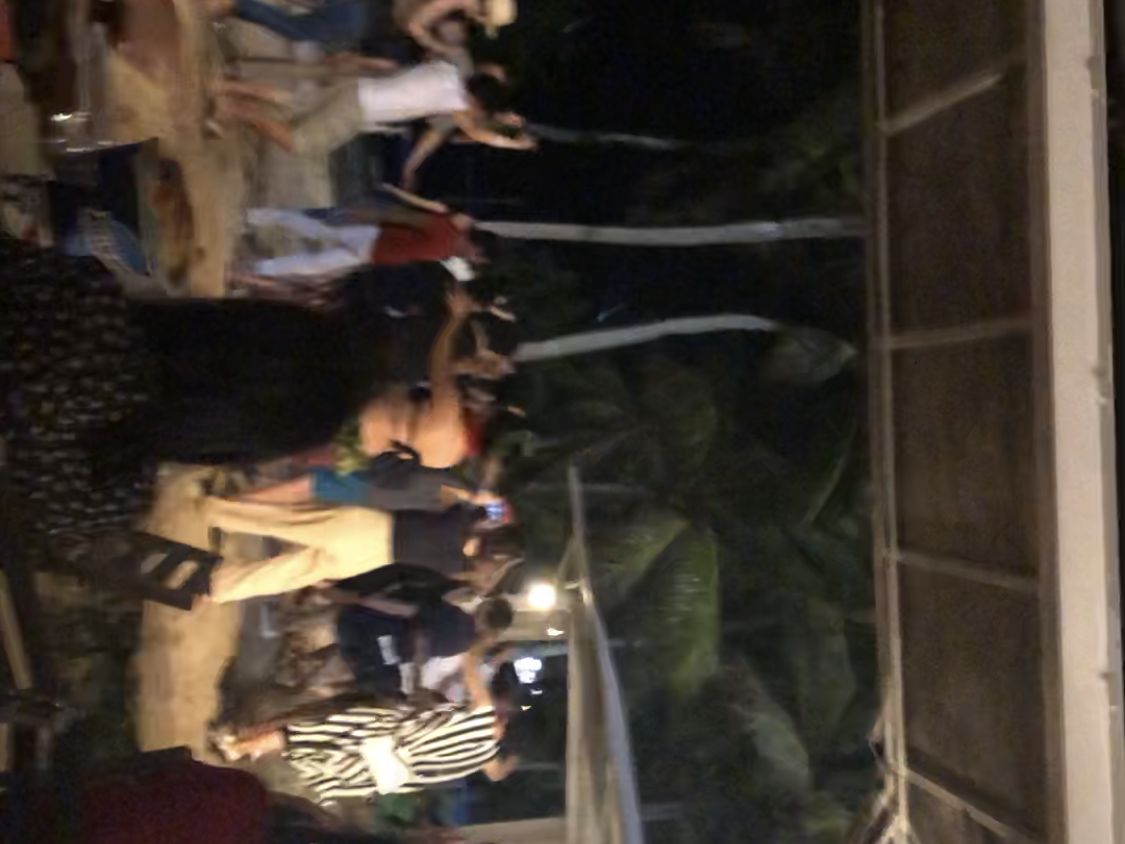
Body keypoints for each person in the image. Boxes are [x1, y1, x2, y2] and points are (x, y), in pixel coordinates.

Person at [212, 644, 520, 801]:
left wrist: (478, 645)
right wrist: (511, 765)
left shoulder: (483, 718)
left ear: (502, 720)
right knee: (311, 750)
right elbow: (496, 775)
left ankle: (238, 747)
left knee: (308, 734)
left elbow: (470, 667)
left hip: (380, 736)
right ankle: (246, 748)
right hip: (381, 775)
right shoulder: (485, 757)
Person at [201, 493, 524, 603]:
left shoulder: (459, 521)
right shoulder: (459, 567)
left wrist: (488, 506)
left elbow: (467, 499)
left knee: (282, 522)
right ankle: (222, 587)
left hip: (368, 528)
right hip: (370, 559)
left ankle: (216, 512)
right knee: (289, 574)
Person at [213, 60, 536, 159]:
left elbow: (486, 82)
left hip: (357, 87)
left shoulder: (447, 70)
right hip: (359, 108)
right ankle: (234, 110)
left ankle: (226, 87)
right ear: (479, 101)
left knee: (290, 100)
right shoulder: (456, 99)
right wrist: (514, 142)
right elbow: (477, 132)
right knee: (299, 143)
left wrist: (499, 116)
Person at [198, 0, 515, 58]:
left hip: (366, 7)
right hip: (366, 18)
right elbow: (412, 22)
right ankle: (233, 5)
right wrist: (433, 42)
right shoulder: (451, 2)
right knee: (300, 31)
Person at [334, 595, 513, 697]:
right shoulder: (463, 645)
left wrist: (359, 600)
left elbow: (409, 611)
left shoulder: (455, 617)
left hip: (373, 628)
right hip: (384, 654)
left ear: (484, 610)